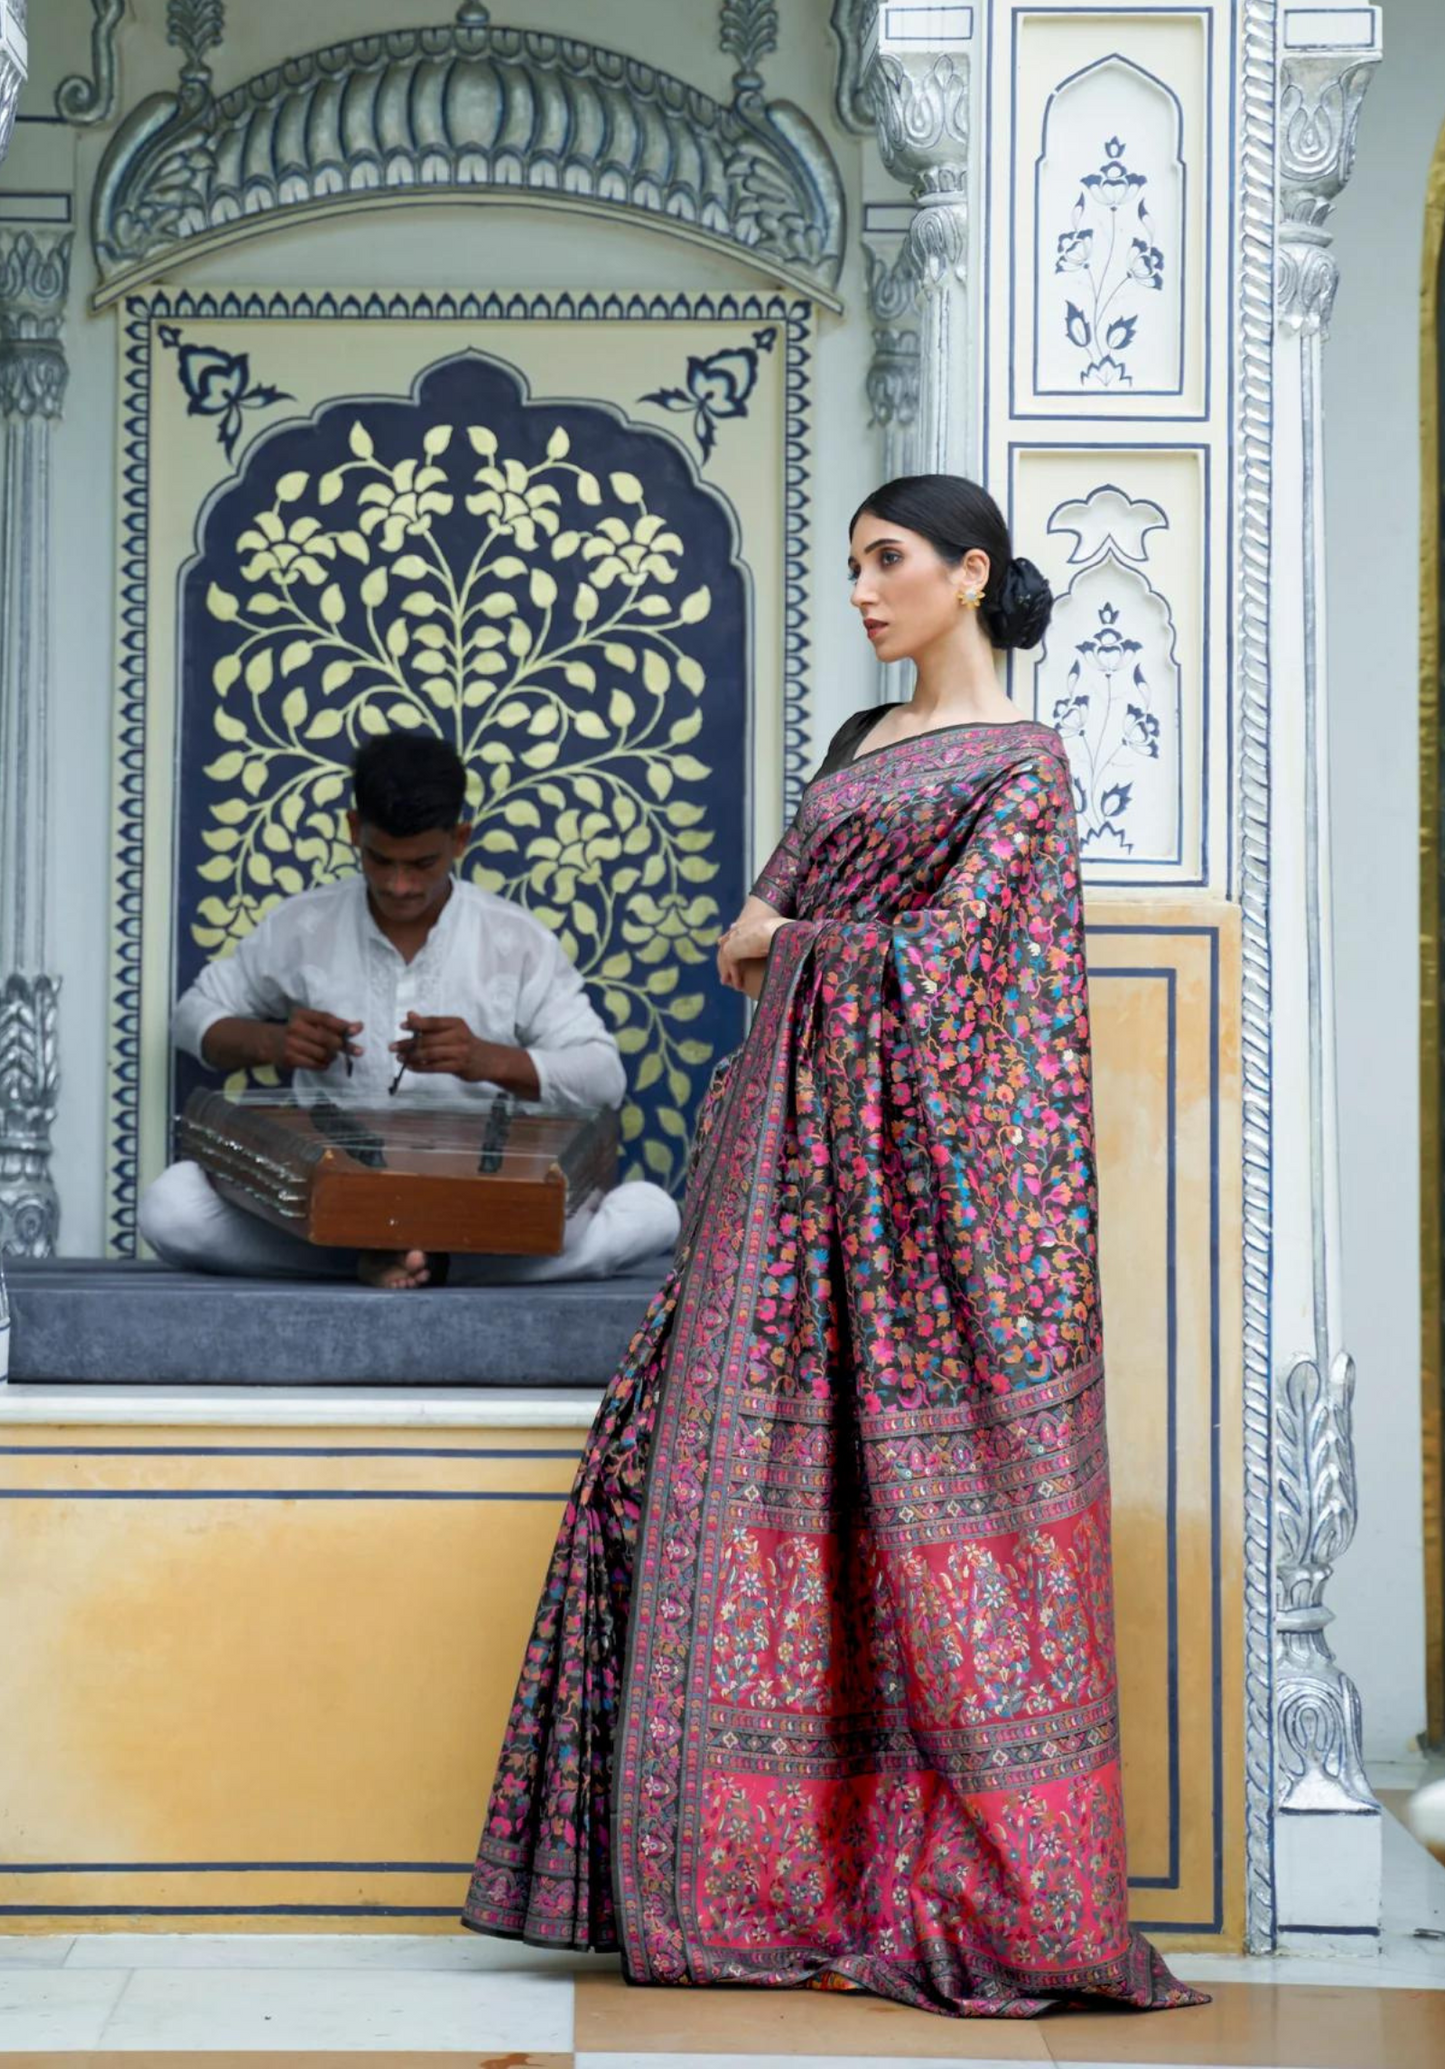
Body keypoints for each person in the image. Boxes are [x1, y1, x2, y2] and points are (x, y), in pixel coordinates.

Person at [461, 476, 1206, 2017]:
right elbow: (750, 932)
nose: (862, 591)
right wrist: (795, 943)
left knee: (924, 1546)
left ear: (967, 574)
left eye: (888, 563)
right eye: (853, 564)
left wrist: (795, 946)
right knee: (649, 1484)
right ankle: (708, 1880)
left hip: (933, 1212)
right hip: (778, 1195)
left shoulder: (1026, 769)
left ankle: (959, 1891)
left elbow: (954, 982)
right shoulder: (858, 752)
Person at [139, 731, 680, 1289]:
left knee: (654, 1212)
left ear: (460, 840)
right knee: (170, 1207)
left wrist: (486, 1060)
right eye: (380, 860)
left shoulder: (514, 941)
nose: (399, 885)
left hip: (482, 1207)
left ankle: (428, 1261)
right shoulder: (302, 926)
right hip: (325, 1201)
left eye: (423, 863)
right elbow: (191, 1017)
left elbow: (605, 1077)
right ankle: (387, 1258)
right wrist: (272, 1043)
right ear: (354, 832)